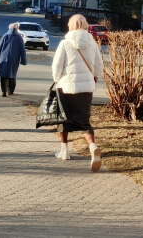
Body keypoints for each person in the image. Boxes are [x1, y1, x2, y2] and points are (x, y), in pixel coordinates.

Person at [51, 14, 105, 172]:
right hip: (86, 89)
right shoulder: (92, 43)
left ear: (70, 26)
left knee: (64, 120)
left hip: (66, 87)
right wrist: (93, 77)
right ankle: (93, 146)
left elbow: (56, 68)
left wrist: (57, 78)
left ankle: (64, 151)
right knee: (84, 121)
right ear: (86, 25)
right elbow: (99, 67)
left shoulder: (65, 43)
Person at [0, 22, 27, 97]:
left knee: (3, 75)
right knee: (12, 75)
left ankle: (4, 91)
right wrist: (23, 61)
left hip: (3, 59)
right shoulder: (19, 37)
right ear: (16, 29)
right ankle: (10, 91)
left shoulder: (5, 36)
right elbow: (22, 50)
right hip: (14, 60)